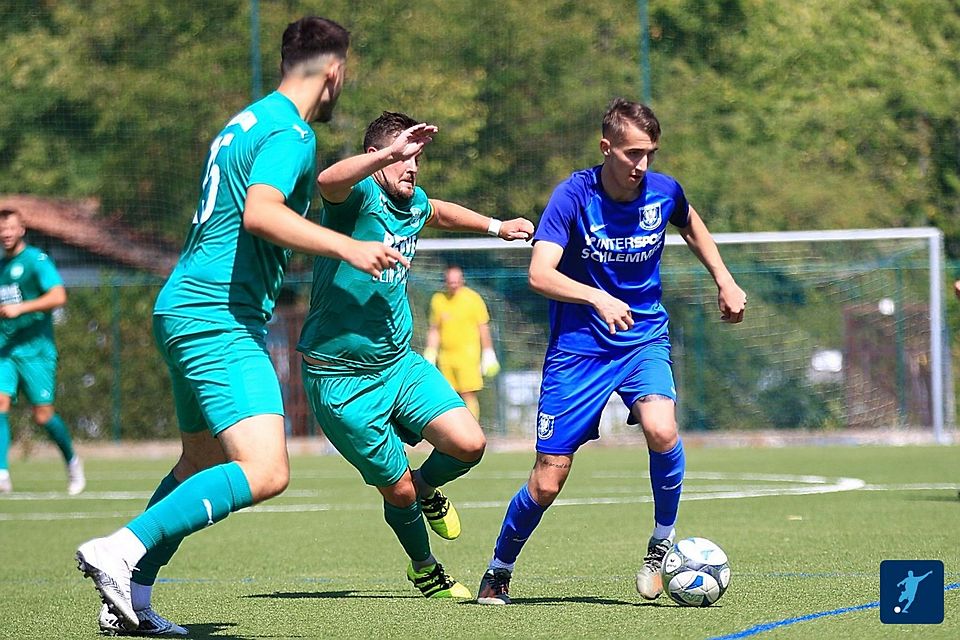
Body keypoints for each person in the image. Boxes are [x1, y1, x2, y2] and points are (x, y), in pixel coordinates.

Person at [76, 17, 407, 635]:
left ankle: (133, 602)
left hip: (182, 306)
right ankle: (119, 550)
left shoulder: (246, 121)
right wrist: (347, 247)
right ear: (333, 70)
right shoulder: (291, 132)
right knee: (266, 470)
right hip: (218, 318)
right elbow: (261, 214)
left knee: (200, 461)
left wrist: (383, 158)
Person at [476, 98, 747, 605]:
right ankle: (499, 568)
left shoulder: (663, 192)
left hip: (643, 336)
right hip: (579, 351)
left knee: (662, 428)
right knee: (548, 479)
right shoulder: (572, 197)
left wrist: (725, 280)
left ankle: (662, 544)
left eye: (650, 153)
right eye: (632, 154)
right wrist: (596, 296)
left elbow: (691, 222)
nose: (641, 165)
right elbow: (540, 273)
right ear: (607, 149)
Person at [297, 111, 534, 599]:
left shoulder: (413, 201)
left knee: (469, 444)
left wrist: (497, 226)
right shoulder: (356, 197)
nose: (413, 168)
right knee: (396, 490)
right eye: (404, 158)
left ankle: (428, 488)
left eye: (417, 159)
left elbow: (439, 211)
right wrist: (387, 154)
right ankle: (424, 567)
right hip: (341, 379)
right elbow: (326, 179)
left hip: (398, 364)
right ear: (377, 158)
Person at [0, 207, 84, 496]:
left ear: (22, 229)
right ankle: (2, 474)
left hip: (36, 351)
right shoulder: (0, 266)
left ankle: (72, 461)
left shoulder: (36, 260)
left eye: (10, 227)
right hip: (5, 351)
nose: (6, 233)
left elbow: (59, 295)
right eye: (2, 229)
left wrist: (21, 308)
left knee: (43, 416)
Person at [423, 265, 500, 419]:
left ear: (462, 280)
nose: (454, 285)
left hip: (468, 356)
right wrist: (430, 352)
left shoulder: (473, 299)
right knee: (448, 396)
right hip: (446, 356)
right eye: (450, 282)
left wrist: (488, 352)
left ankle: (472, 429)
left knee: (467, 393)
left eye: (456, 281)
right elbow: (434, 328)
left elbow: (483, 327)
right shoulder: (438, 300)